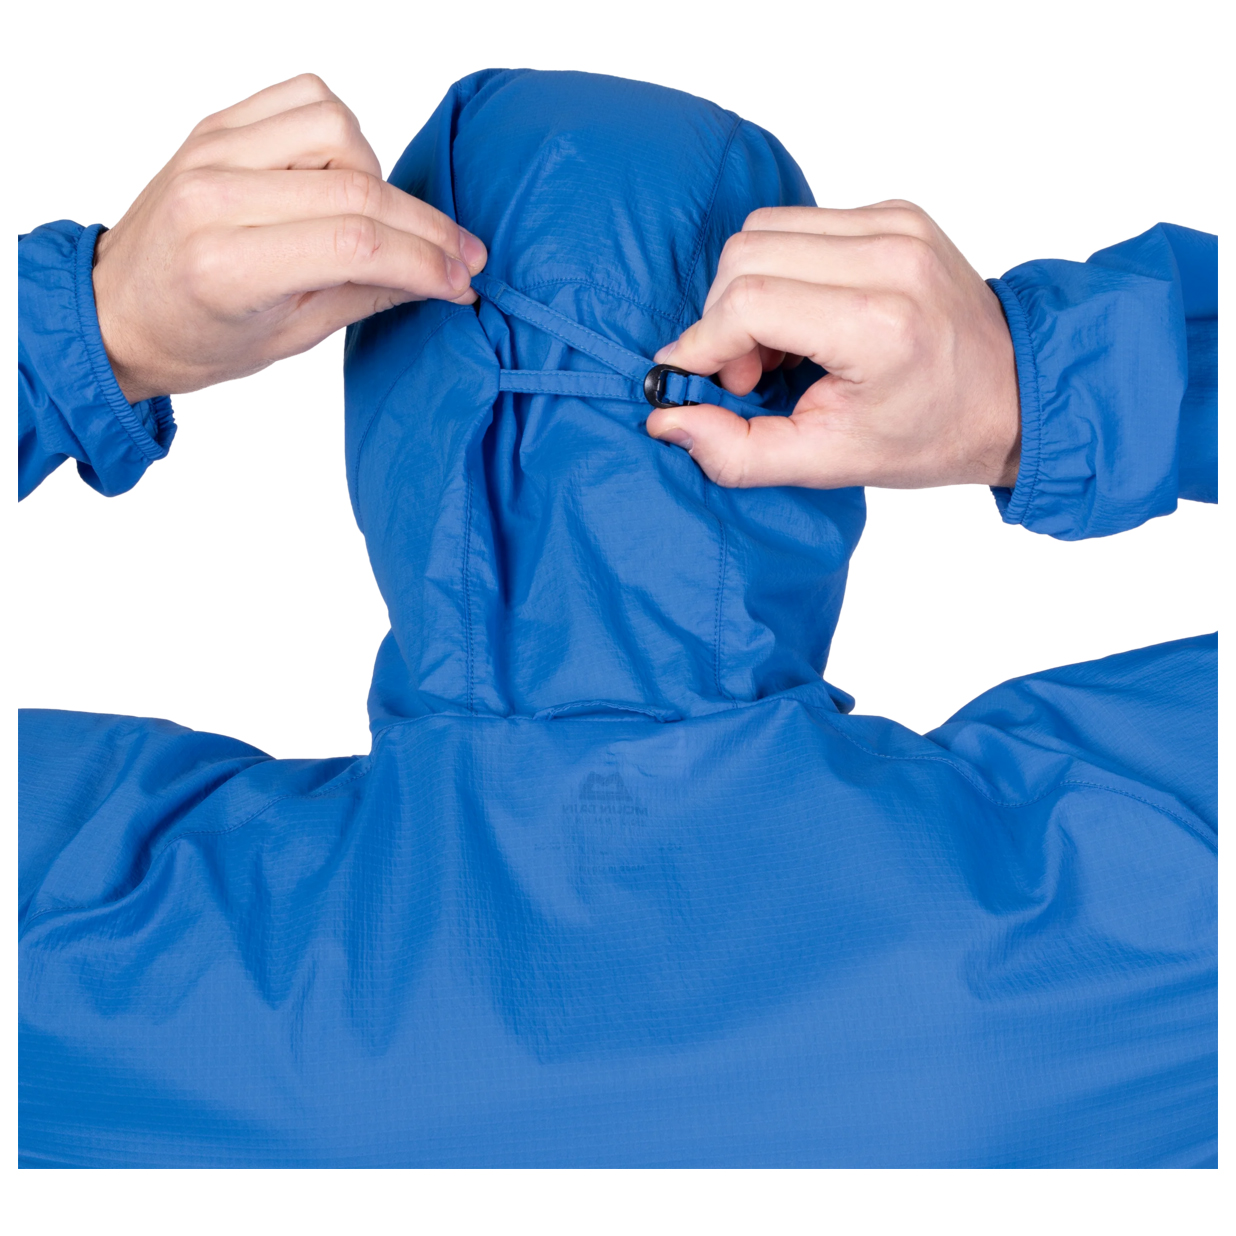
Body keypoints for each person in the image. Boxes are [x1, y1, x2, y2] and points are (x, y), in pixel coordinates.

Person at [18, 69, 1217, 1167]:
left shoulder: (101, 944)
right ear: (823, 407)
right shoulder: (1132, 898)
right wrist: (1034, 381)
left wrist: (88, 332)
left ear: (392, 427)